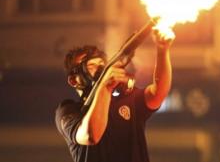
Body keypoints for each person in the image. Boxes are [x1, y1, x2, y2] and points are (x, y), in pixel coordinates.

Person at [55, 29, 174, 162]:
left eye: (102, 64)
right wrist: (105, 87)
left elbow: (157, 94)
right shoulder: (69, 110)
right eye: (91, 66)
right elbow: (91, 135)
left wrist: (162, 50)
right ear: (73, 80)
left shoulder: (126, 97)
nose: (100, 69)